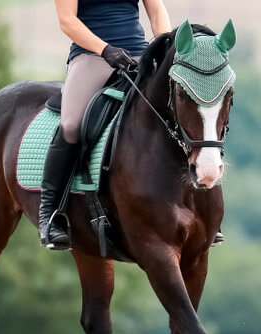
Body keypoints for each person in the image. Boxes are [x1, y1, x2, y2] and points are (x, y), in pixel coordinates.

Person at [39, 0, 173, 249]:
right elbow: (67, 20)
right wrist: (105, 50)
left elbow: (156, 9)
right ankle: (50, 214)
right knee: (72, 125)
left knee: (178, 112)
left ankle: (200, 203)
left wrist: (164, 45)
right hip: (92, 56)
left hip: (139, 53)